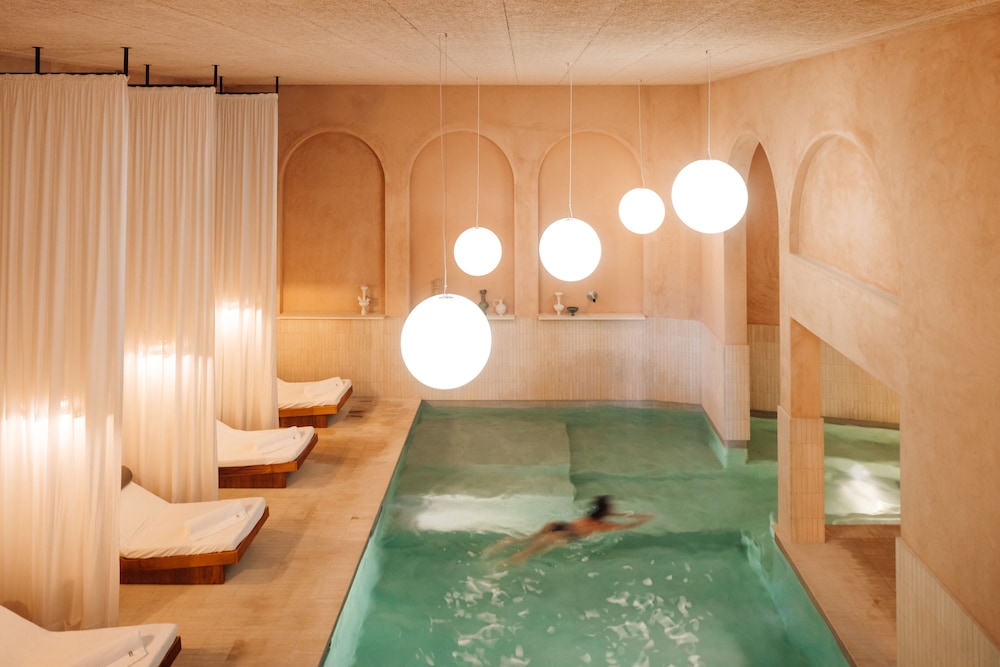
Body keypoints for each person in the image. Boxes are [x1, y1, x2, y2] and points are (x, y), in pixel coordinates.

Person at [482, 495, 652, 565]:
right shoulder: (603, 526)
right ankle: (498, 569)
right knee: (525, 554)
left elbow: (600, 514)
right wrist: (639, 516)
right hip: (566, 535)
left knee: (525, 540)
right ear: (606, 511)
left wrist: (609, 512)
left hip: (558, 525)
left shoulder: (588, 517)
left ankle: (495, 548)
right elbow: (632, 524)